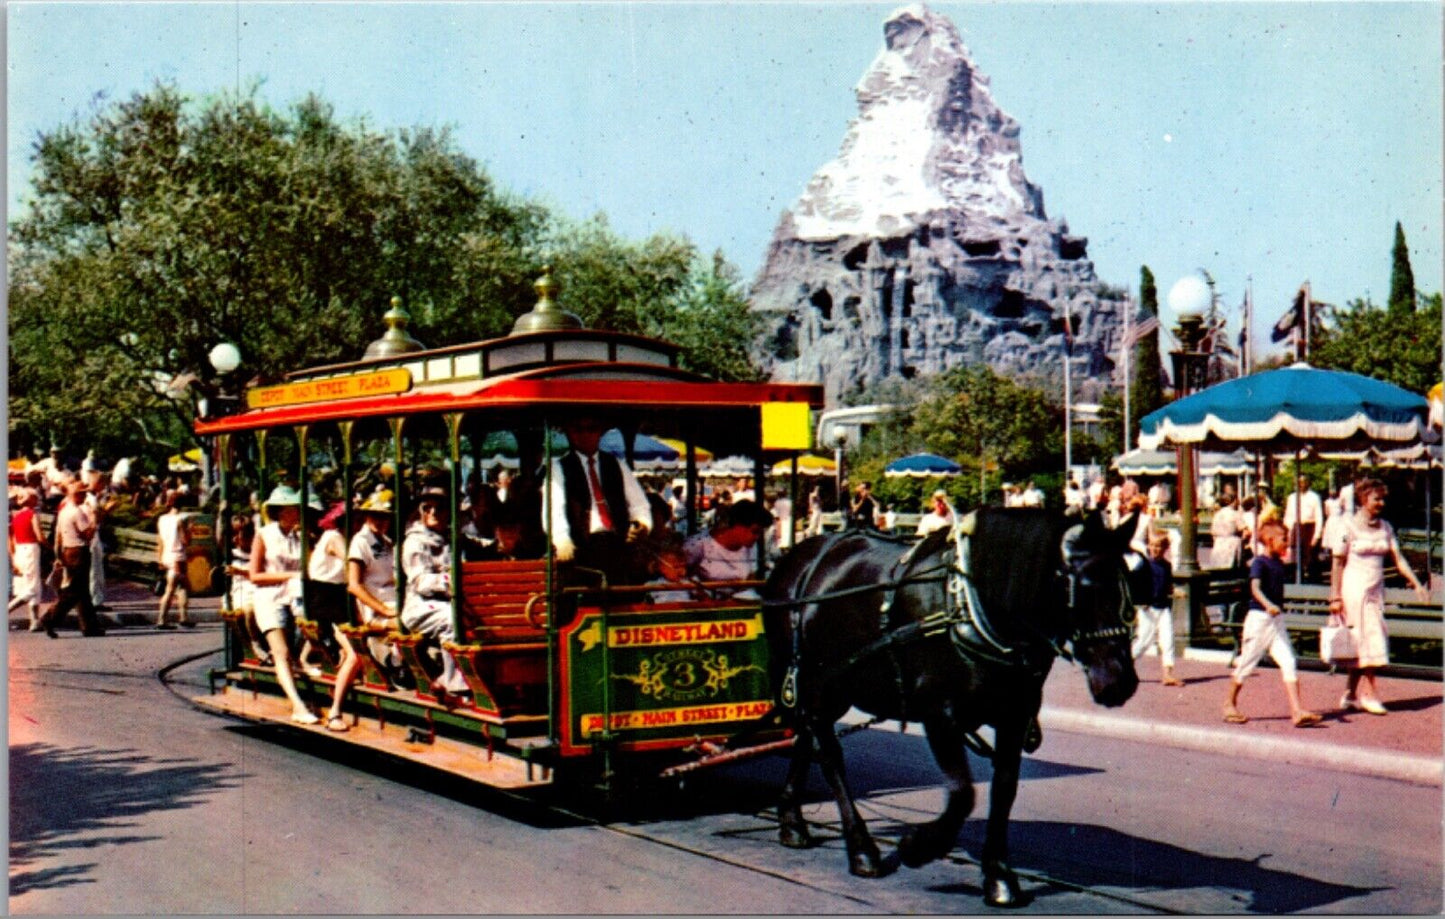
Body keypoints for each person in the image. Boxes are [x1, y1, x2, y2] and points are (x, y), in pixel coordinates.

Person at [1329, 478, 1430, 715]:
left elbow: (1398, 558)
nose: (1381, 503)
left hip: (1375, 591)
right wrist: (1334, 596)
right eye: (1377, 498)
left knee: (1364, 640)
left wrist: (1416, 584)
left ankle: (1351, 692)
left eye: (1383, 499)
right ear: (1364, 499)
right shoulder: (1347, 527)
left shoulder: (1385, 527)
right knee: (1370, 637)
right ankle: (1369, 694)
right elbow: (1337, 562)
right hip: (1354, 591)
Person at [1222, 520, 1321, 727]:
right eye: (1283, 539)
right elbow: (1255, 588)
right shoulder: (1260, 562)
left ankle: (1296, 711)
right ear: (1269, 540)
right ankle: (1229, 703)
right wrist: (1268, 605)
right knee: (1247, 662)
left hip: (1276, 621)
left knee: (1288, 661)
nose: (1287, 543)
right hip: (1259, 620)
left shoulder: (1279, 563)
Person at [324, 491, 401, 731]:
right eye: (376, 515)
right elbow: (354, 586)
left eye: (385, 516)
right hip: (375, 610)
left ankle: (401, 667)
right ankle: (335, 711)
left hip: (395, 604)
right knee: (354, 656)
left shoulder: (387, 543)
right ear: (367, 516)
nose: (381, 520)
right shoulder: (360, 542)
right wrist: (384, 612)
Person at [546, 417, 652, 581]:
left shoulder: (616, 464)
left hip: (617, 545)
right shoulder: (559, 467)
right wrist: (561, 539)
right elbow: (554, 507)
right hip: (581, 548)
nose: (585, 435)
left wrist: (643, 523)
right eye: (578, 430)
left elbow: (639, 504)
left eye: (591, 429)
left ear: (600, 433)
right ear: (570, 434)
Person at [248, 485, 317, 724]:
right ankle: (298, 705)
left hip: (297, 596)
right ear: (280, 511)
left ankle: (305, 661)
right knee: (282, 652)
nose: (297, 512)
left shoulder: (302, 537)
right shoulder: (264, 534)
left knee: (316, 628)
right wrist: (289, 576)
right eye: (292, 509)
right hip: (270, 597)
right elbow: (254, 575)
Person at [401, 485, 470, 698]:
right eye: (427, 508)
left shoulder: (452, 538)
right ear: (420, 512)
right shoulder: (415, 542)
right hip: (420, 606)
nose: (433, 513)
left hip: (452, 600)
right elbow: (421, 581)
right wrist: (450, 581)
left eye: (439, 508)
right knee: (452, 618)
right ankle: (453, 683)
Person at [44, 479, 105, 637]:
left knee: (83, 592)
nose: (85, 495)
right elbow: (87, 534)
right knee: (74, 591)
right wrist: (95, 520)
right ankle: (50, 618)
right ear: (77, 495)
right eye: (83, 493)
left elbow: (58, 536)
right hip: (79, 551)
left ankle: (89, 626)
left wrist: (58, 555)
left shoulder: (63, 512)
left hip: (68, 551)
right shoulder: (77, 512)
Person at [682, 499, 773, 597]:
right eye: (754, 532)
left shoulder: (751, 548)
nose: (757, 537)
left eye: (760, 533)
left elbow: (750, 578)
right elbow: (681, 576)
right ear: (737, 525)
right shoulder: (698, 544)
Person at [299, 501, 349, 677]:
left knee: (327, 627)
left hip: (332, 589)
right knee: (335, 627)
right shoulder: (333, 537)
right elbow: (350, 561)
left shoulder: (338, 536)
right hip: (325, 590)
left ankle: (313, 657)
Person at [1131, 530, 1182, 687]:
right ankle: (1125, 664)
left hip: (1163, 608)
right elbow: (1133, 585)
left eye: (1159, 546)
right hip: (1148, 609)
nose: (1155, 549)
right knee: (1144, 641)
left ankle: (1167, 673)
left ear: (1165, 548)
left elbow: (1167, 586)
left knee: (1168, 639)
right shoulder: (1143, 566)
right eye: (1152, 545)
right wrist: (1140, 602)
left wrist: (1175, 592)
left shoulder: (1166, 566)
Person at [155, 491, 194, 629]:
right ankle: (162, 619)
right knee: (172, 589)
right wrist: (190, 530)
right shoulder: (181, 520)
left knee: (180, 586)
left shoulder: (162, 519)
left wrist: (159, 558)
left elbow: (160, 540)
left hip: (167, 555)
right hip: (178, 556)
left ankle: (184, 617)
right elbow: (185, 541)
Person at [8, 488, 47, 630]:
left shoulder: (15, 516)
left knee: (34, 586)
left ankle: (34, 621)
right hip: (30, 548)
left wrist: (13, 557)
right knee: (31, 587)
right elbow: (39, 535)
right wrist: (49, 546)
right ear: (30, 499)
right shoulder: (32, 514)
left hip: (19, 550)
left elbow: (10, 538)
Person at [1283, 475, 1323, 575]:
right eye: (1299, 482)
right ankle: (1297, 576)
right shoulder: (1292, 497)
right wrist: (1289, 531)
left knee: (1310, 556)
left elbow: (1319, 516)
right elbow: (1288, 515)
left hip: (1309, 527)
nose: (1301, 484)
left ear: (1308, 483)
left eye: (1304, 481)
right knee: (1296, 555)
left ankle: (1312, 579)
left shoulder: (1314, 497)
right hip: (1296, 527)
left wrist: (1317, 535)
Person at [1208, 487, 1247, 569]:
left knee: (1219, 570)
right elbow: (1246, 532)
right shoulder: (1235, 514)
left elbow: (1213, 533)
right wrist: (1242, 541)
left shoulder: (1217, 515)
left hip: (1218, 545)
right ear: (1234, 501)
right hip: (1232, 544)